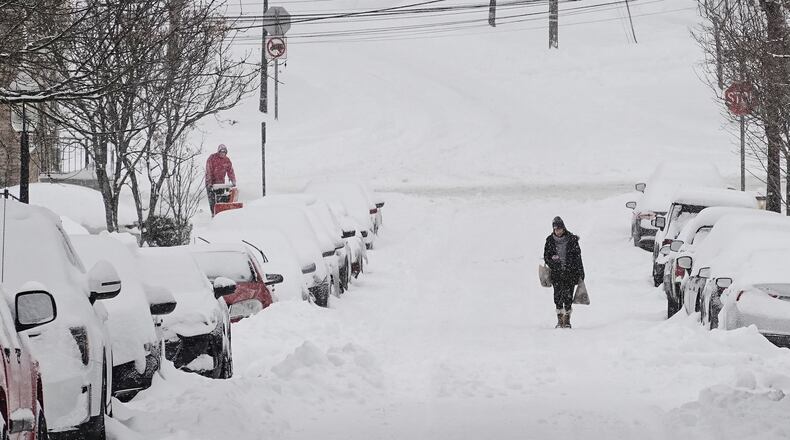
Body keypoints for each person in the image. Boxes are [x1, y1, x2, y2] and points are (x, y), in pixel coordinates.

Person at [544, 216, 585, 329]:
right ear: (553, 229)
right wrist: (553, 260)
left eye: (560, 229)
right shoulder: (549, 240)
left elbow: (578, 257)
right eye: (556, 229)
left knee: (568, 297)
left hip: (570, 273)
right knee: (557, 296)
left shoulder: (572, 240)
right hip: (556, 273)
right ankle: (559, 318)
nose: (558, 231)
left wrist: (581, 272)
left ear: (563, 228)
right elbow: (546, 256)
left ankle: (567, 320)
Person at [205, 144, 237, 215]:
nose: (222, 153)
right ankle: (213, 214)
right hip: (211, 184)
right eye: (221, 152)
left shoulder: (227, 160)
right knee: (213, 202)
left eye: (224, 152)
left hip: (220, 184)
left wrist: (233, 181)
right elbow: (208, 171)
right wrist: (209, 183)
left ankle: (221, 215)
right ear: (218, 152)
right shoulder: (212, 158)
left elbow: (230, 171)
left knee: (221, 201)